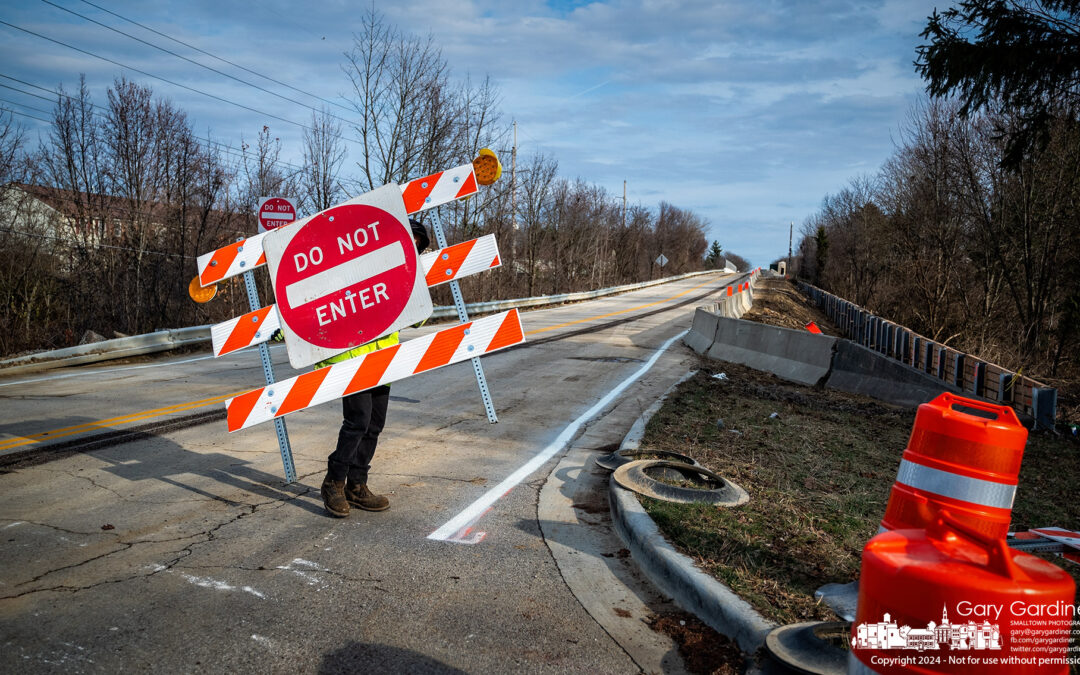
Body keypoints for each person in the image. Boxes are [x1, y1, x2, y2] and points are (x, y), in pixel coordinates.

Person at [316, 217, 430, 517]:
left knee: (374, 425)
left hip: (383, 359)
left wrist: (414, 287)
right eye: (410, 244)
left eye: (417, 249)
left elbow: (417, 317)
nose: (412, 252)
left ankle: (356, 484)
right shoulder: (357, 267)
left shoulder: (403, 275)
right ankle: (334, 482)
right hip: (351, 358)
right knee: (358, 421)